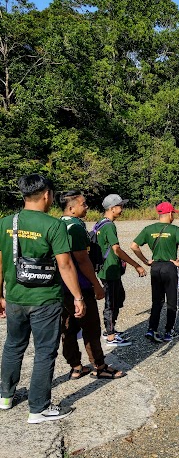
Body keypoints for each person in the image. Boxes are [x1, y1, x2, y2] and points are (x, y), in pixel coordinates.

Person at [0, 174, 85, 423]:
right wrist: (78, 297)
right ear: (46, 195)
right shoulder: (53, 225)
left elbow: (1, 262)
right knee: (45, 351)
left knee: (13, 345)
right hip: (45, 299)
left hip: (15, 297)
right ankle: (38, 408)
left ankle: (5, 396)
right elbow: (65, 264)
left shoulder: (5, 222)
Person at [59, 191, 125, 380]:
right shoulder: (76, 227)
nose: (87, 207)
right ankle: (99, 366)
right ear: (71, 208)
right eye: (83, 204)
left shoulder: (57, 224)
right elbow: (82, 261)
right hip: (80, 286)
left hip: (62, 288)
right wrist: (96, 285)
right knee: (91, 328)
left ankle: (76, 367)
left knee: (68, 328)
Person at [131, 202, 179, 343]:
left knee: (157, 301)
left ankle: (152, 329)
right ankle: (169, 331)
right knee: (172, 301)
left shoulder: (148, 229)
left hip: (155, 267)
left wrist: (145, 261)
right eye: (173, 213)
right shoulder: (175, 229)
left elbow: (133, 246)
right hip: (170, 267)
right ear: (169, 214)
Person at [97, 194, 147, 346]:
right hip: (109, 270)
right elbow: (116, 249)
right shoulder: (109, 226)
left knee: (118, 298)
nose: (122, 209)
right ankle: (110, 335)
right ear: (112, 208)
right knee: (111, 302)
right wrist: (136, 265)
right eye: (120, 206)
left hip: (108, 268)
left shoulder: (100, 223)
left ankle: (110, 329)